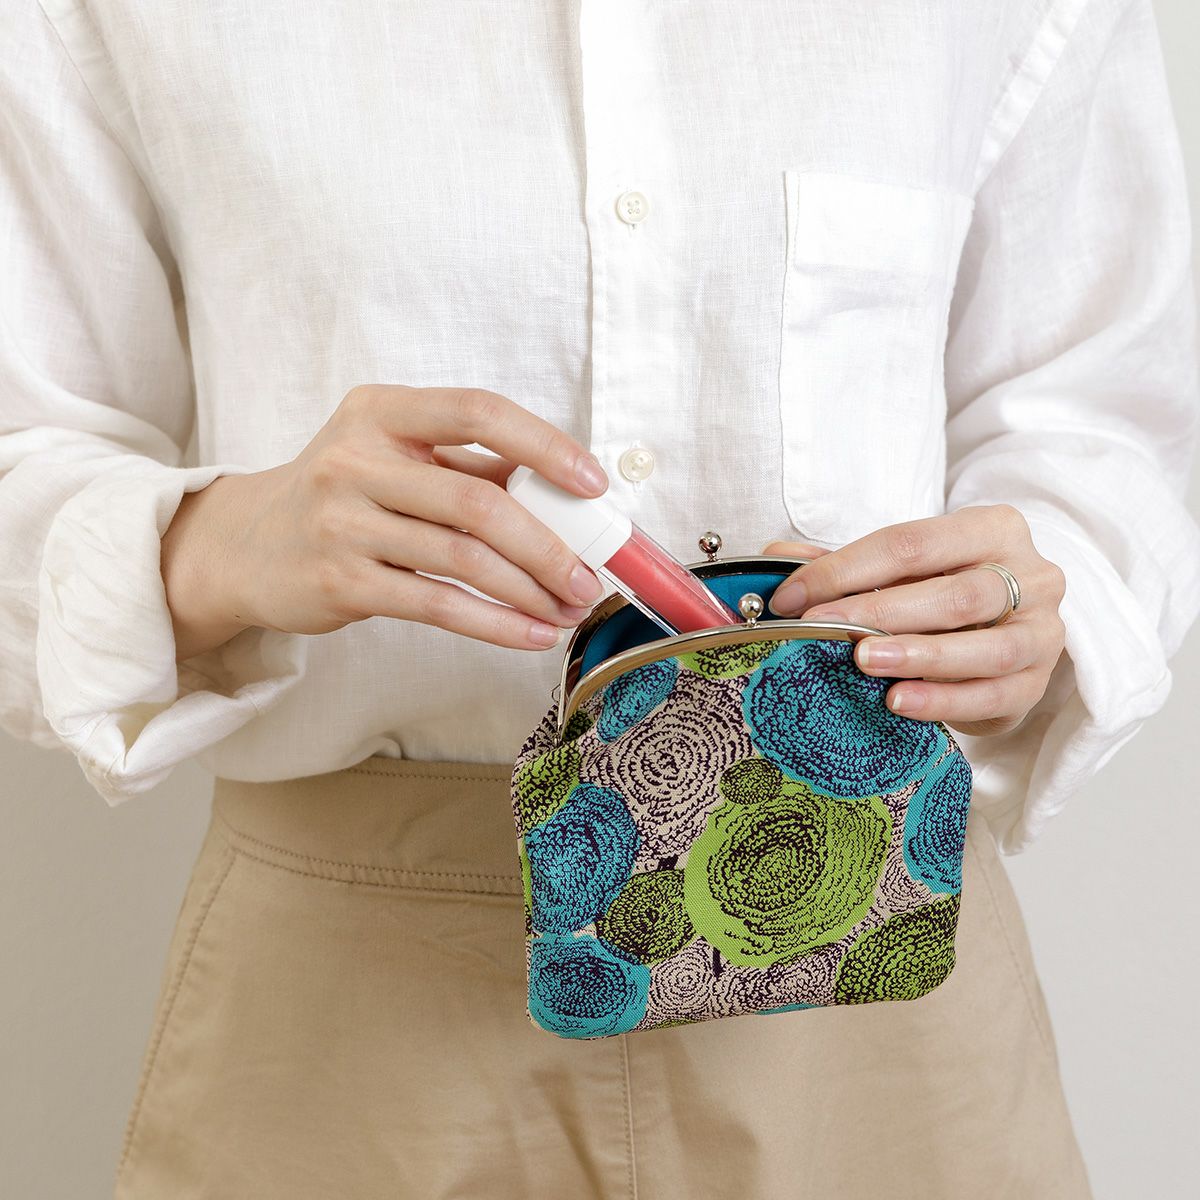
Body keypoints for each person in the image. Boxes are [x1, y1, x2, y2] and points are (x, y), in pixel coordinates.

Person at [2, 1, 1197, 1196]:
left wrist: (1034, 596)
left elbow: (1106, 409)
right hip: (347, 1017)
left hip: (884, 997)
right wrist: (209, 542)